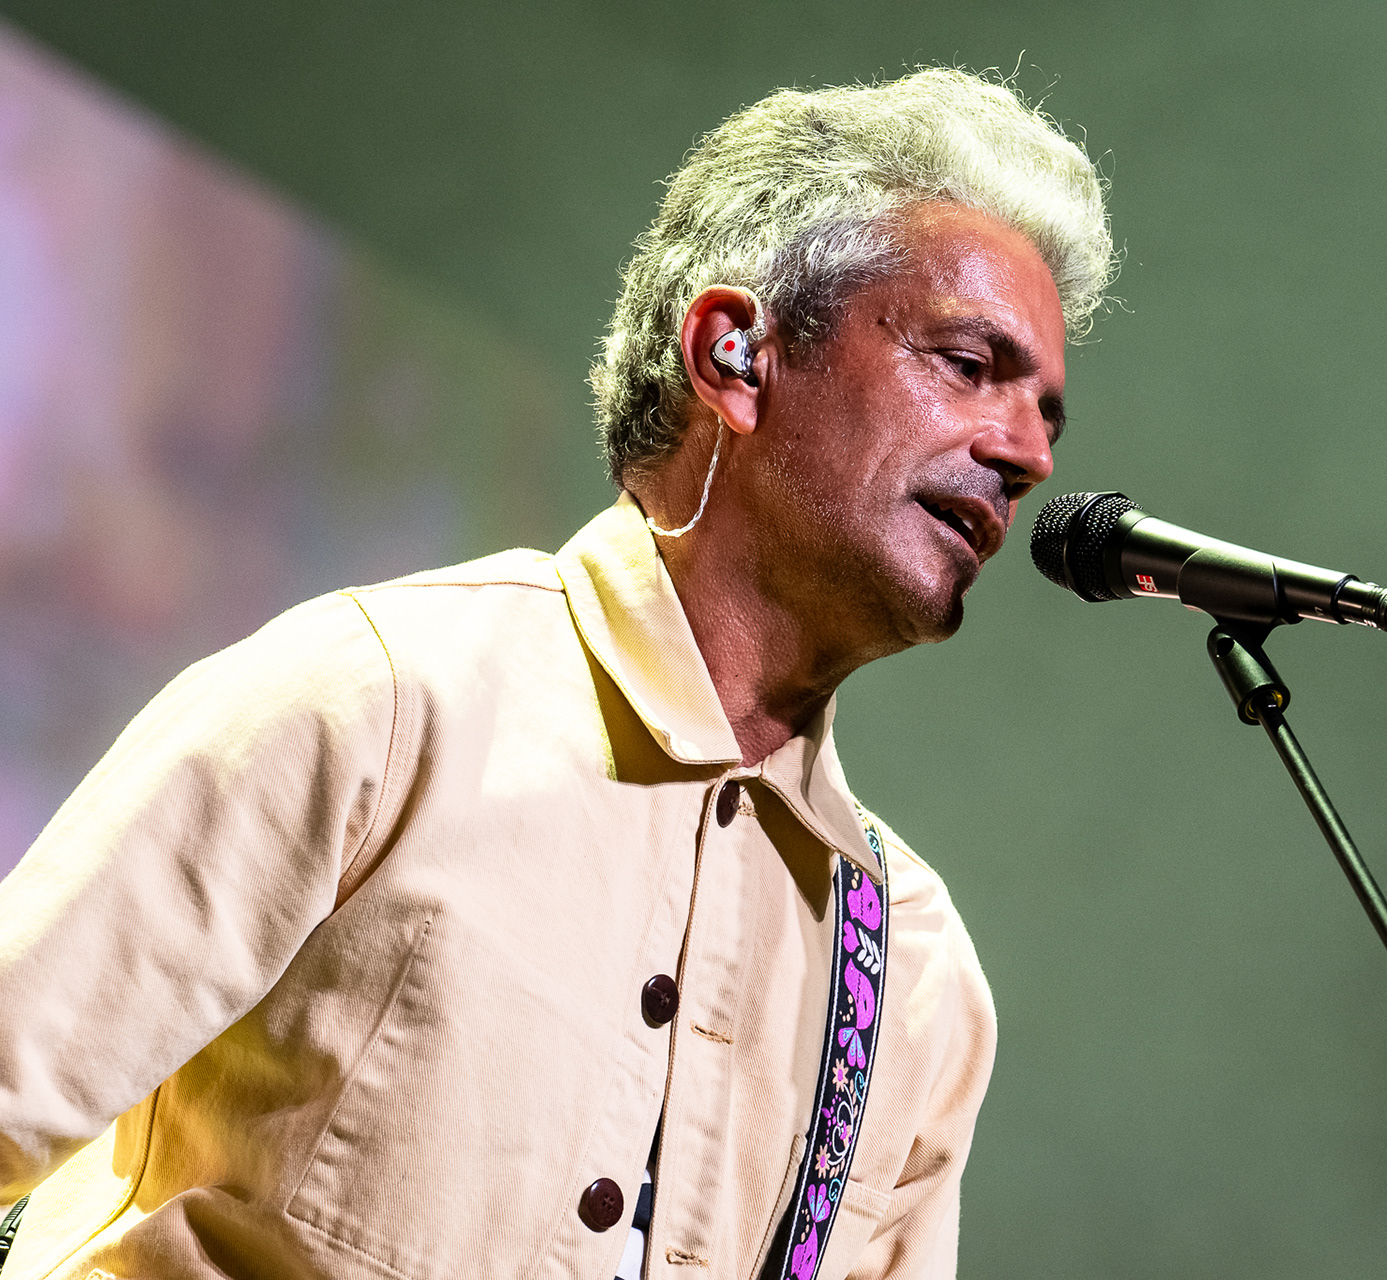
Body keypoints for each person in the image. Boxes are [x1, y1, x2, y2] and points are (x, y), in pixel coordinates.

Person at [0, 69, 1112, 1280]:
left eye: (1045, 411)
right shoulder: (383, 701)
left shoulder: (911, 965)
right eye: (969, 363)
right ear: (734, 356)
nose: (1028, 452)